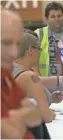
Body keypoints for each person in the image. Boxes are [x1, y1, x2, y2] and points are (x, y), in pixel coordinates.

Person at [13, 32, 63, 122]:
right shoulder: (29, 76)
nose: (40, 53)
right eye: (39, 49)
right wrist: (49, 113)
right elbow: (46, 116)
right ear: (31, 50)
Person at [1, 10, 42, 139]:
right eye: (6, 43)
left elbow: (35, 116)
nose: (14, 53)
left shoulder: (6, 75)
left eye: (18, 43)